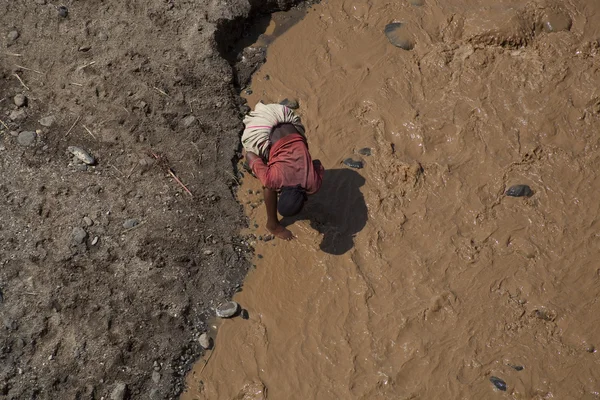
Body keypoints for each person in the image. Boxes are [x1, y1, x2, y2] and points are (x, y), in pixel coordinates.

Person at [242, 103, 324, 240]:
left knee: (269, 176)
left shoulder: (314, 183)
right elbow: (250, 155)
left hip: (284, 114)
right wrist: (260, 170)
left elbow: (317, 163)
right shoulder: (272, 180)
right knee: (267, 184)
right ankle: (272, 225)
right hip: (263, 125)